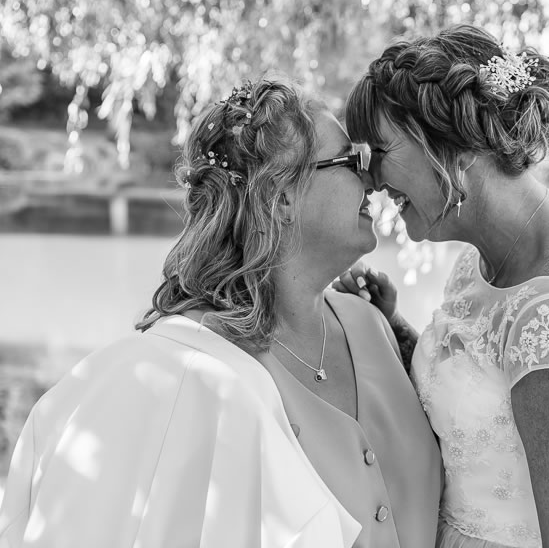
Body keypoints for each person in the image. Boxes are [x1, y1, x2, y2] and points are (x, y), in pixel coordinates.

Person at [0, 76, 442, 548]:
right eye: (350, 161)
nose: (373, 179)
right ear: (282, 196)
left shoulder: (373, 324)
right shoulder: (195, 372)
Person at [335, 25, 549, 548]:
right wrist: (393, 328)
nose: (370, 179)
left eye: (382, 150)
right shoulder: (482, 262)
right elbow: (480, 403)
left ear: (453, 144)